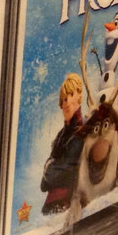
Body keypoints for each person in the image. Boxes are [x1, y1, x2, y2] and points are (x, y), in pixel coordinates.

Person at [41, 73, 85, 215]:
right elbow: (51, 163)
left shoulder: (81, 130)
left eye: (71, 95)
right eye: (64, 99)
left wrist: (49, 173)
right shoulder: (62, 134)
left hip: (67, 204)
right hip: (52, 205)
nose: (67, 103)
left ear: (79, 96)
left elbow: (69, 168)